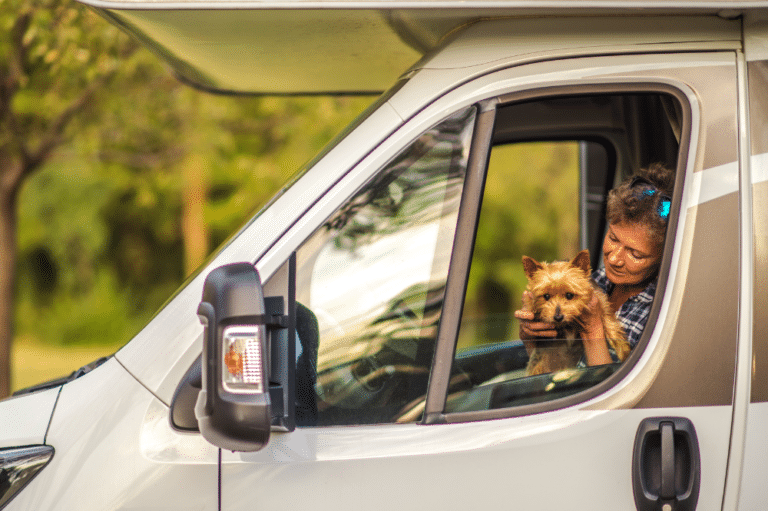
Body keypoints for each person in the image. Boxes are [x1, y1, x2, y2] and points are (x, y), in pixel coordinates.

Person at [515, 163, 674, 367]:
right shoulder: (595, 280)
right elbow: (554, 371)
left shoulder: (661, 313)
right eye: (613, 238)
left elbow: (618, 393)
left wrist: (593, 330)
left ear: (665, 256)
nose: (614, 259)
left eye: (635, 254)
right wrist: (534, 339)